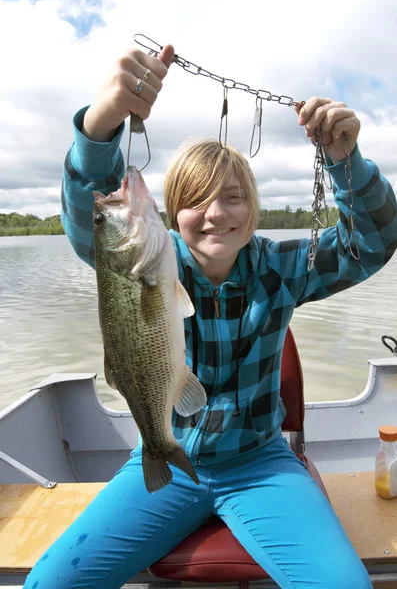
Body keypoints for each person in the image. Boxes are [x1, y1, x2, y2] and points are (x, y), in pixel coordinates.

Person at [24, 44, 397, 589]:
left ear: (254, 209)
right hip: (166, 458)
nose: (216, 214)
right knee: (52, 583)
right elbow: (92, 226)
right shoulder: (148, 260)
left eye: (232, 198)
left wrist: (348, 162)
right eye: (197, 200)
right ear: (170, 211)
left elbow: (375, 242)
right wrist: (100, 128)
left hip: (261, 464)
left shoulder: (282, 267)